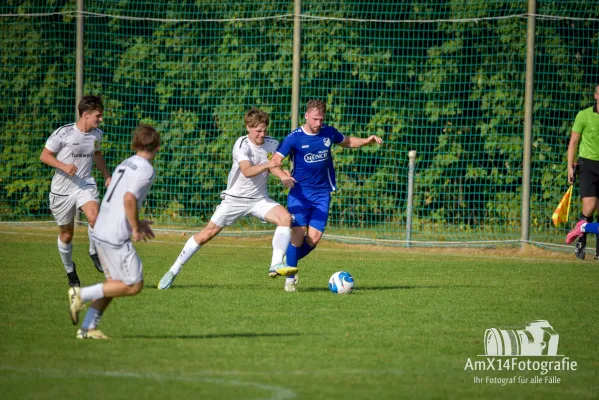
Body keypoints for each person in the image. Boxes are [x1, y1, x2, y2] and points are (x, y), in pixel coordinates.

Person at [157, 108, 297, 290]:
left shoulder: (272, 143)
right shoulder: (241, 145)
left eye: (264, 130)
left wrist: (282, 175)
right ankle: (173, 271)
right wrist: (269, 164)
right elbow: (247, 171)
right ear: (248, 127)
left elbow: (272, 166)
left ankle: (276, 263)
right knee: (206, 234)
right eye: (258, 131)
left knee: (285, 218)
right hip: (235, 200)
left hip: (259, 199)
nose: (262, 135)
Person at [270, 99, 383, 292]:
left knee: (313, 240)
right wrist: (282, 176)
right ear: (306, 116)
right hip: (300, 194)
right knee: (297, 238)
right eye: (315, 119)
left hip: (322, 194)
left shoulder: (328, 132)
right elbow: (275, 161)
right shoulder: (294, 138)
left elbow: (347, 141)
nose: (318, 124)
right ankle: (290, 278)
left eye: (321, 119)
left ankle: (287, 262)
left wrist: (366, 141)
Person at [68, 124, 160, 339]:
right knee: (134, 285)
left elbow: (120, 198)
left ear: (135, 143)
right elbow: (128, 199)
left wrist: (136, 222)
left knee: (113, 285)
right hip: (114, 236)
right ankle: (80, 294)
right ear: (157, 147)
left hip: (101, 228)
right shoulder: (146, 169)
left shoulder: (126, 163)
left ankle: (87, 329)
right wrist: (135, 228)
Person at [40, 95, 112, 287]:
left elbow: (96, 153)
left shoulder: (97, 134)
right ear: (86, 114)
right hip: (62, 190)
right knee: (66, 235)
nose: (100, 119)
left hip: (85, 183)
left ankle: (93, 250)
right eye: (98, 115)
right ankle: (70, 271)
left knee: (95, 218)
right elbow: (44, 156)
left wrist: (106, 174)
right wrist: (63, 166)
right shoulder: (63, 133)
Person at [566, 84, 599, 259]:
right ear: (596, 96)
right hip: (588, 164)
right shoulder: (584, 115)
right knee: (590, 206)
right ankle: (581, 238)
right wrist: (570, 166)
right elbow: (573, 142)